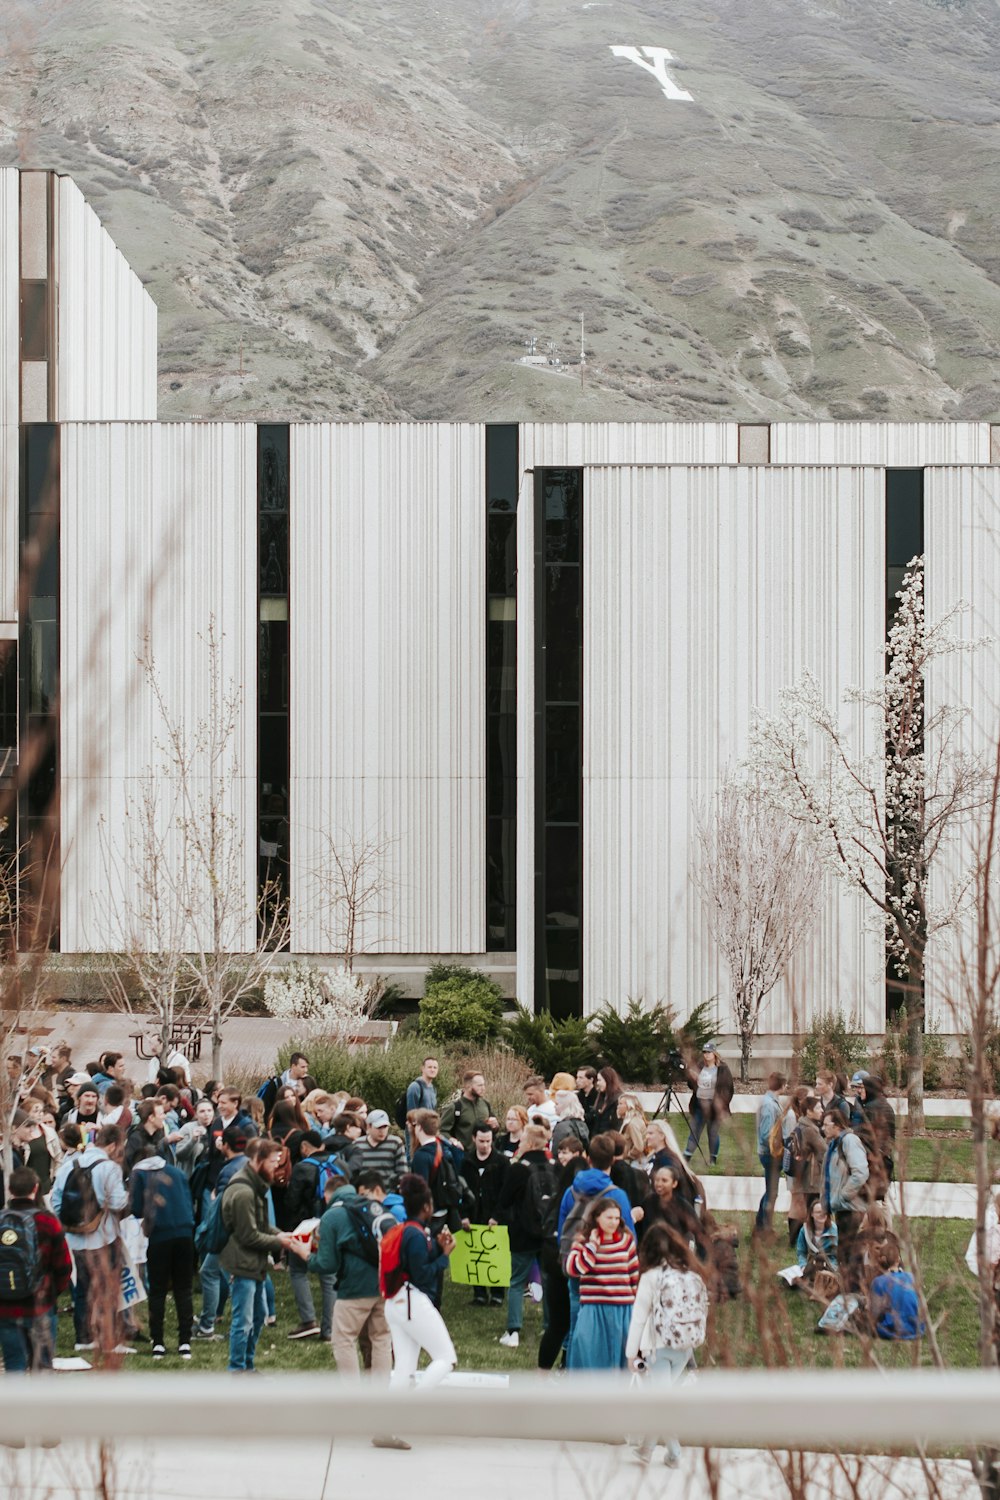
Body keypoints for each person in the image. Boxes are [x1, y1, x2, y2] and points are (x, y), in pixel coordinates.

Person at [219, 1136, 310, 1372]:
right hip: (242, 1263)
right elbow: (248, 1235)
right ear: (258, 1160)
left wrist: (284, 1235)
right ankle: (237, 1369)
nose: (276, 1167)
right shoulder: (243, 1192)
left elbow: (262, 1225)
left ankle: (247, 1366)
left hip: (254, 1262)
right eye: (272, 1162)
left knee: (258, 1316)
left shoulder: (256, 1185)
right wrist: (280, 1241)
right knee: (243, 1320)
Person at [627, 1224, 709, 1468]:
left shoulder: (651, 1277)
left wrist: (631, 1354)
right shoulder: (692, 1275)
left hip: (658, 1348)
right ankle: (647, 1450)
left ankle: (673, 1453)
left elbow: (639, 1317)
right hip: (685, 1348)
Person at [50, 1123, 130, 1354]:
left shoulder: (69, 1165)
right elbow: (117, 1203)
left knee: (83, 1289)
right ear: (114, 1145)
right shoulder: (109, 1168)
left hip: (74, 1238)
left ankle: (83, 1338)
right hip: (103, 1237)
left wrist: (71, 1223)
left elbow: (56, 1201)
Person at [308, 1168, 394, 1376]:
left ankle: (352, 1396)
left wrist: (306, 1256)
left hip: (354, 1289)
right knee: (381, 1338)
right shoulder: (371, 1207)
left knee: (343, 1339)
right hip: (384, 1282)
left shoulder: (332, 1216)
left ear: (327, 1194)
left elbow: (326, 1264)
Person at [381, 1172, 457, 1394]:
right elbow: (422, 1275)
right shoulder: (416, 1235)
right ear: (426, 1206)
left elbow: (415, 1262)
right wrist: (444, 1256)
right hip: (412, 1302)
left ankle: (391, 1420)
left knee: (404, 1368)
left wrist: (436, 1247)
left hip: (396, 1302)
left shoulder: (406, 1231)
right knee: (446, 1358)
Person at [0, 1166, 72, 1374]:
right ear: (36, 1188)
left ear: (10, 1189)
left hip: (5, 1306)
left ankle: (14, 1407)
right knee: (43, 1368)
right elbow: (64, 1266)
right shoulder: (47, 1221)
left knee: (14, 1366)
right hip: (40, 1305)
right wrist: (51, 1294)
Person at [129, 1155, 196, 1359]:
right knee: (183, 1290)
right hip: (185, 1233)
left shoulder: (140, 1174)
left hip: (160, 1235)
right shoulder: (177, 1172)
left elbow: (136, 1207)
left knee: (157, 1291)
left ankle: (158, 1342)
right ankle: (185, 1341)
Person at [564, 1196, 639, 1369]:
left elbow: (634, 1274)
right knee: (589, 1353)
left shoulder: (626, 1240)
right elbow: (573, 1269)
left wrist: (637, 1306)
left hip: (623, 1308)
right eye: (609, 1217)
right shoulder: (583, 1240)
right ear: (597, 1217)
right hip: (593, 1307)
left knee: (621, 1358)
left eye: (616, 1218)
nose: (613, 1222)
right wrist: (592, 1247)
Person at [496, 1124, 553, 1348]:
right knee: (548, 1282)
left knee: (517, 1282)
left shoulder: (518, 1169)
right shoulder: (553, 1166)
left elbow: (504, 1200)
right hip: (548, 1233)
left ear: (528, 1143)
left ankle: (513, 1331)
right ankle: (550, 1326)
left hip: (522, 1232)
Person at [280, 1131, 339, 1341]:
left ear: (305, 1147)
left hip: (306, 1227)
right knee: (329, 1275)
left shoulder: (302, 1167)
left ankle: (308, 1320)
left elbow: (292, 1201)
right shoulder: (339, 1162)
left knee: (297, 1270)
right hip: (332, 1224)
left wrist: (289, 1229)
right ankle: (329, 1328)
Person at [537, 1135, 587, 1370]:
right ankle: (567, 1364)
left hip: (552, 1262)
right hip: (569, 1266)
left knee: (557, 1324)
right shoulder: (576, 1200)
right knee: (572, 1322)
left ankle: (544, 1371)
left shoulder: (557, 1199)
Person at [820, 1108, 870, 1291]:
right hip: (840, 1208)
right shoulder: (834, 1144)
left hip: (852, 1207)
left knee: (850, 1253)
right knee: (843, 1252)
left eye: (826, 1125)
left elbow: (860, 1172)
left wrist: (843, 1196)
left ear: (838, 1125)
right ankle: (847, 1290)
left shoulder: (849, 1141)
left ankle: (854, 1292)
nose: (823, 1128)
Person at [462, 1124, 509, 1305]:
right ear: (474, 1139)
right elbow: (461, 1190)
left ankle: (497, 1294)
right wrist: (463, 1215)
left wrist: (497, 1216)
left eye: (488, 1141)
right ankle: (479, 1293)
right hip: (474, 1212)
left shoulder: (501, 1162)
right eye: (481, 1141)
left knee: (496, 1254)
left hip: (494, 1212)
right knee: (475, 1254)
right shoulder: (466, 1162)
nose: (485, 1145)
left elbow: (506, 1193)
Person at [410, 1109, 469, 1239]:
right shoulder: (444, 1148)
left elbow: (422, 1190)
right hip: (444, 1209)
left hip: (430, 1214)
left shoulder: (421, 1155)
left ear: (419, 1127)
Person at [684, 1042, 733, 1165]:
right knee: (694, 1131)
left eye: (709, 1052)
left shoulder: (722, 1069)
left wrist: (722, 1104)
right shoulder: (700, 1067)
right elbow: (691, 1086)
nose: (706, 1055)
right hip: (699, 1104)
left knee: (713, 1133)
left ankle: (713, 1159)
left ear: (714, 1053)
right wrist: (691, 1077)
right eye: (704, 1052)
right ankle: (686, 1156)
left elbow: (728, 1088)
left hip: (714, 1107)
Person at [869, 1234, 925, 1340]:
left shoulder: (878, 1282)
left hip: (892, 1330)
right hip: (916, 1328)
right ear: (898, 1259)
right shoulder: (911, 1277)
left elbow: (874, 1314)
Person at [787, 1095, 826, 1247]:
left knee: (797, 1206)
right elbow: (824, 1150)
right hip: (810, 1176)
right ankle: (804, 1240)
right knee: (810, 1207)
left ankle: (794, 1239)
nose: (822, 1110)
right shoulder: (810, 1130)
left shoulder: (800, 1125)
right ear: (809, 1111)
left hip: (800, 1172)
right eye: (818, 1108)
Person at [755, 1072, 786, 1234]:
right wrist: (779, 1146)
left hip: (770, 1153)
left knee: (771, 1190)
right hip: (770, 1154)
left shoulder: (771, 1101)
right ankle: (765, 1227)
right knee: (772, 1192)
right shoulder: (769, 1105)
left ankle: (760, 1224)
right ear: (782, 1085)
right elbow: (767, 1133)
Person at [349, 1110, 407, 1190]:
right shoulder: (357, 1144)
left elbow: (403, 1172)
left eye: (385, 1127)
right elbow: (353, 1174)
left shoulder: (395, 1143)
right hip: (363, 1196)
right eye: (379, 1127)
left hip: (388, 1195)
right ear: (369, 1126)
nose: (382, 1131)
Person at [439, 1071, 496, 1151]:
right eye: (479, 1085)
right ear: (468, 1086)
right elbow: (442, 1131)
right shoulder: (454, 1107)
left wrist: (495, 1126)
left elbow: (494, 1128)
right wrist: (453, 1141)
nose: (483, 1088)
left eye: (483, 1085)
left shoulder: (485, 1104)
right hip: (462, 1156)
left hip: (484, 1156)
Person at [794, 1200, 838, 1293]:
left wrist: (834, 1267)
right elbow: (801, 1252)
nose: (822, 1214)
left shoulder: (833, 1229)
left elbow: (836, 1254)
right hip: (811, 1265)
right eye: (818, 1212)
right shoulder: (805, 1230)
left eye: (824, 1212)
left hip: (829, 1265)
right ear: (812, 1214)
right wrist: (803, 1265)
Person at [589, 1067, 624, 1136]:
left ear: (608, 1080)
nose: (597, 1083)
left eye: (599, 1080)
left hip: (610, 1140)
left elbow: (617, 1124)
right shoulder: (601, 1097)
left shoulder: (618, 1099)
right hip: (598, 1139)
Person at [615, 1095, 648, 1162]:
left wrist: (627, 1156)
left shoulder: (632, 1124)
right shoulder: (633, 1120)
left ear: (629, 1107)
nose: (618, 1106)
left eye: (620, 1104)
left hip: (635, 1163)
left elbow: (638, 1147)